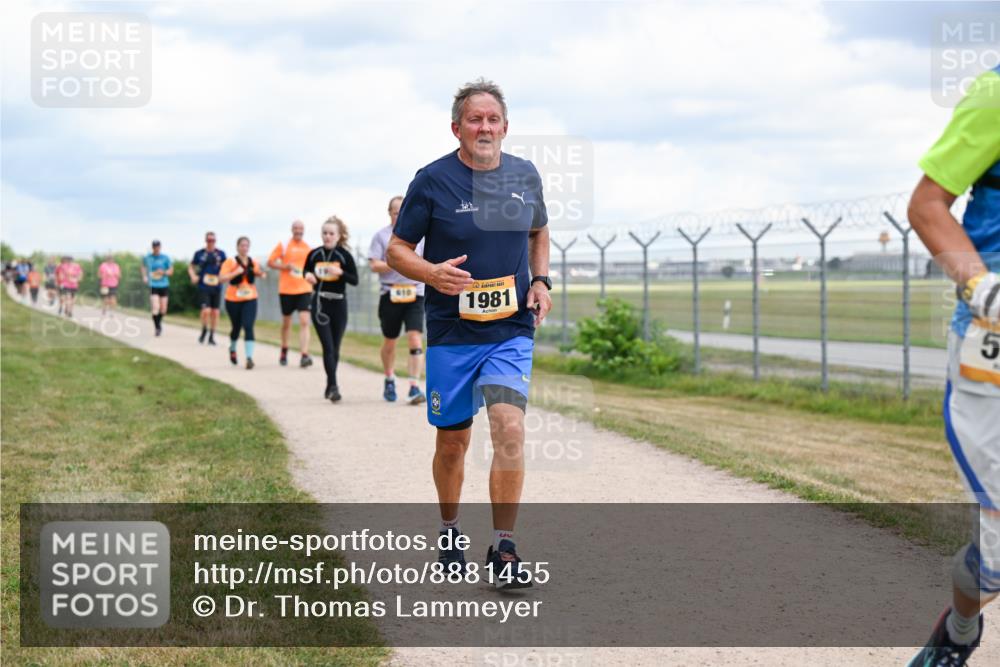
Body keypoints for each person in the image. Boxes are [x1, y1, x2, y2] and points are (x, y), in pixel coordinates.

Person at [387, 78, 552, 586]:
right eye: (475, 120)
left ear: (505, 127)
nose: (485, 127)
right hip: (452, 330)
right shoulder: (432, 180)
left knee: (509, 427)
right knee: (453, 442)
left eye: (493, 119)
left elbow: (539, 230)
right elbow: (398, 250)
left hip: (510, 329)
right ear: (456, 127)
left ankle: (504, 549)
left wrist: (541, 279)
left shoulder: (525, 175)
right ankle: (450, 527)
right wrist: (431, 273)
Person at [906, 64, 1000, 667]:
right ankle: (960, 627)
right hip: (990, 347)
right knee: (996, 560)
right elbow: (927, 206)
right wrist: (987, 291)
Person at [369, 195, 427, 405]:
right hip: (390, 294)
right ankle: (389, 378)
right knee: (390, 341)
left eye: (403, 211)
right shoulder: (381, 236)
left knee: (415, 338)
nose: (400, 215)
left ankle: (414, 386)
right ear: (390, 213)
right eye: (396, 212)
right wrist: (398, 262)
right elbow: (374, 265)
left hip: (415, 293)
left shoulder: (419, 237)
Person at [303, 216, 358, 402]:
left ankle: (329, 384)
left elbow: (355, 280)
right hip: (320, 304)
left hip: (339, 305)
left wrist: (341, 272)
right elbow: (306, 271)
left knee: (335, 348)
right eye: (324, 233)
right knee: (327, 346)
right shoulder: (314, 254)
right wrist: (308, 276)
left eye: (331, 233)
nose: (327, 236)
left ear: (338, 235)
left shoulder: (344, 255)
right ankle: (334, 386)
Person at [267, 220, 314, 368]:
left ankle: (304, 355)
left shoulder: (308, 247)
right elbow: (270, 262)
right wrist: (285, 266)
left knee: (305, 321)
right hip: (286, 290)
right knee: (286, 323)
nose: (298, 230)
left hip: (304, 288)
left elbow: (312, 266)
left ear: (304, 230)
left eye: (301, 228)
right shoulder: (284, 245)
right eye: (296, 228)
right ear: (292, 230)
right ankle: (284, 349)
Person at [219, 236, 266, 369]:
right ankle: (232, 349)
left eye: (246, 245)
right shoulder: (230, 262)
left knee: (248, 326)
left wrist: (261, 274)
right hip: (233, 300)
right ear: (237, 247)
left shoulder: (252, 262)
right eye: (242, 245)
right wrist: (235, 272)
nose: (244, 248)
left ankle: (249, 358)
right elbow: (221, 278)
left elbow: (260, 272)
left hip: (250, 298)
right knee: (236, 327)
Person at [188, 232, 226, 345]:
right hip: (203, 286)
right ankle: (204, 329)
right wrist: (193, 275)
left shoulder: (221, 254)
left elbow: (226, 267)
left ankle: (212, 335)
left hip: (216, 286)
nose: (211, 242)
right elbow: (191, 266)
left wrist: (223, 276)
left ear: (216, 241)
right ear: (206, 241)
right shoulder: (199, 254)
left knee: (215, 312)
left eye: (213, 240)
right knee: (206, 311)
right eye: (209, 240)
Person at [141, 240, 173, 337]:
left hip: (164, 284)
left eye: (157, 246)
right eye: (154, 246)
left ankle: (159, 323)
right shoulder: (147, 258)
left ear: (160, 247)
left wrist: (163, 272)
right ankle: (157, 327)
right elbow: (143, 267)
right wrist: (144, 276)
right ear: (152, 247)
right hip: (153, 285)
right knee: (155, 307)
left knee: (163, 309)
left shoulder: (165, 258)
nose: (156, 248)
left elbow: (171, 271)